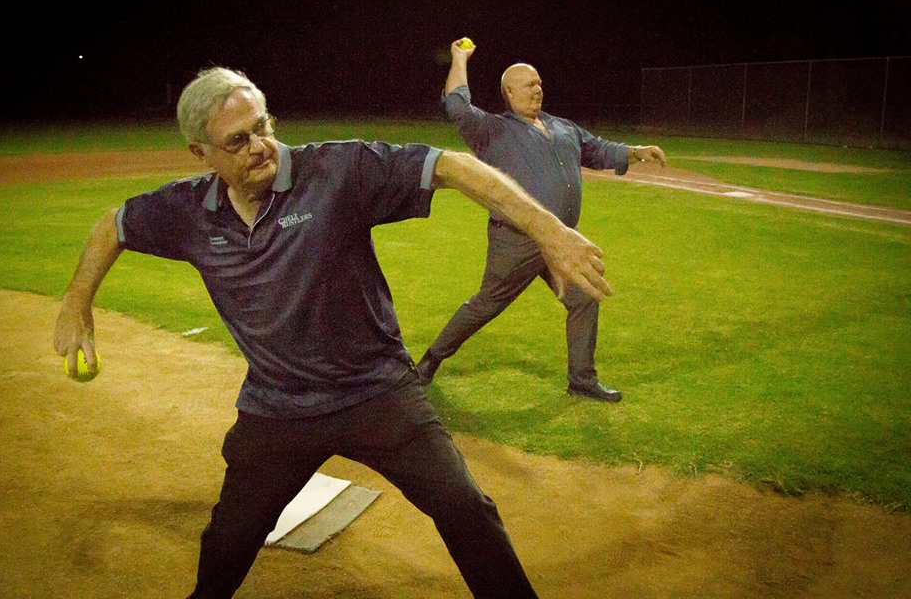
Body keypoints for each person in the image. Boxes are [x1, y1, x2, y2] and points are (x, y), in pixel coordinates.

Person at [53, 66, 614, 599]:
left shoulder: (335, 173)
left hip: (377, 393)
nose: (259, 146)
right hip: (277, 408)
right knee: (228, 540)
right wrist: (77, 302)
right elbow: (114, 225)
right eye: (237, 141)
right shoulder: (187, 212)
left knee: (466, 509)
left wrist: (549, 231)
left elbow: (449, 165)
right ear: (200, 153)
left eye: (262, 127)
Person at [415, 39, 667, 403]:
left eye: (539, 83)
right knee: (486, 305)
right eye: (529, 84)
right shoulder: (492, 130)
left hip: (560, 239)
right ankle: (431, 360)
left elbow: (597, 149)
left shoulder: (562, 127)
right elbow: (457, 105)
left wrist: (634, 152)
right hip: (516, 241)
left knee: (585, 297)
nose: (538, 89)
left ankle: (582, 379)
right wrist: (459, 58)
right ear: (509, 92)